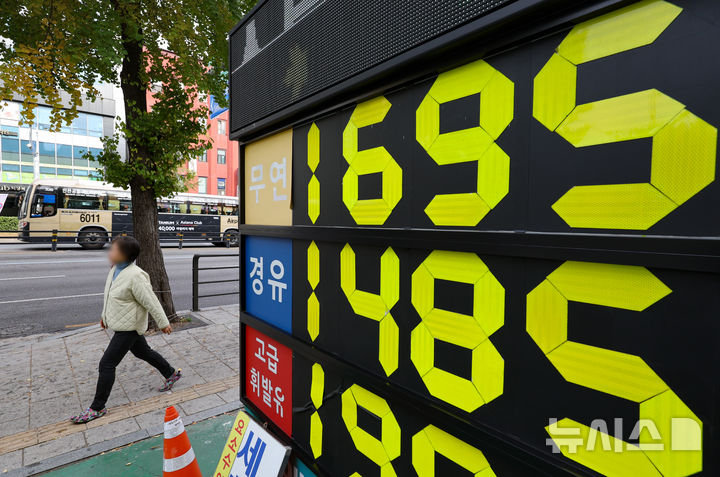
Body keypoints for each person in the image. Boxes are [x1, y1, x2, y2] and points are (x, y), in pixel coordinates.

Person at [71, 236, 182, 424]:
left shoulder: (135, 276)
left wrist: (163, 322)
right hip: (122, 324)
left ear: (124, 254)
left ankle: (97, 408)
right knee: (143, 352)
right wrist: (104, 317)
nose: (110, 252)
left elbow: (150, 300)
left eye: (113, 249)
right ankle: (171, 373)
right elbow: (110, 297)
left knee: (106, 364)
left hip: (129, 327)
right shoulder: (115, 270)